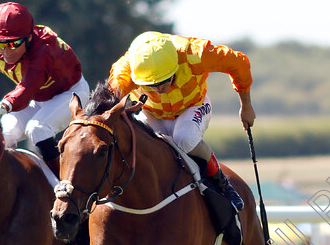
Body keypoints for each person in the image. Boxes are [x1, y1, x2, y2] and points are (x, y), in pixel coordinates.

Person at [108, 31, 254, 212]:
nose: (159, 88)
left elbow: (238, 63)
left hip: (193, 107)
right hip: (152, 113)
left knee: (184, 138)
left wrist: (246, 106)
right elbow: (106, 104)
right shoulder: (126, 70)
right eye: (150, 84)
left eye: (163, 81)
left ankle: (222, 183)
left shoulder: (196, 54)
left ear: (176, 65)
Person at [0, 1, 90, 177]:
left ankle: (65, 185)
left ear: (29, 38)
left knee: (37, 129)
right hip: (38, 98)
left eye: (13, 44)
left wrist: (2, 106)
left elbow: (27, 88)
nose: (6, 51)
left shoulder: (44, 49)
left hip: (70, 94)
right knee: (6, 133)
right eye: (1, 43)